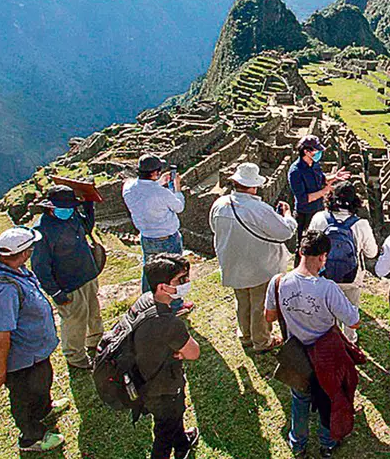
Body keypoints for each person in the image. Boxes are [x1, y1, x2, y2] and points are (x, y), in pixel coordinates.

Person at [265, 231, 360, 458]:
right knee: (329, 396)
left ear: (300, 252)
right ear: (323, 257)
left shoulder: (278, 282)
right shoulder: (327, 288)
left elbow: (269, 317)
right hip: (326, 355)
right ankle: (327, 443)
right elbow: (354, 322)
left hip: (296, 353)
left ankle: (298, 444)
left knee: (299, 399)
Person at [0, 226, 69, 453]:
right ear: (25, 252)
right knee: (23, 396)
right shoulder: (2, 290)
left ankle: (44, 410)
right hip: (20, 357)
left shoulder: (11, 268)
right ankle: (31, 437)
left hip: (34, 351)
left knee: (42, 381)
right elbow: (0, 336)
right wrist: (1, 371)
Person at [210, 162, 296, 353]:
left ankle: (246, 335)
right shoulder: (259, 209)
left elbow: (214, 229)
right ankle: (262, 341)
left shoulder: (219, 205)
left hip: (233, 262)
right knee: (259, 305)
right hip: (259, 265)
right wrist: (288, 216)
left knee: (242, 301)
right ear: (253, 186)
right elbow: (284, 233)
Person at [132, 253, 201, 459]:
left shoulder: (144, 302)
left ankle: (182, 444)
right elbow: (193, 352)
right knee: (164, 432)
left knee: (172, 417)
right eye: (180, 280)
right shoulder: (169, 323)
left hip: (143, 377)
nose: (186, 283)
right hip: (163, 386)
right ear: (162, 287)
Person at [31, 184, 104, 370]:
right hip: (68, 284)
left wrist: (88, 204)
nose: (68, 211)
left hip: (87, 274)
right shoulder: (42, 230)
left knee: (93, 312)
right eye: (64, 208)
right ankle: (75, 357)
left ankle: (95, 341)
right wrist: (55, 291)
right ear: (50, 207)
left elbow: (86, 227)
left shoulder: (71, 216)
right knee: (74, 321)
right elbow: (40, 266)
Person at [122, 153, 193, 314]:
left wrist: (159, 182)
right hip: (167, 238)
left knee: (150, 270)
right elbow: (179, 206)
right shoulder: (161, 193)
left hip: (146, 237)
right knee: (174, 273)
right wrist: (177, 188)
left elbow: (146, 191)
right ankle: (175, 306)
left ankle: (148, 304)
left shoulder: (128, 187)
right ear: (154, 173)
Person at [308, 182, 377, 343]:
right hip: (350, 277)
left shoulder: (319, 218)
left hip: (323, 274)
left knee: (325, 308)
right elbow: (371, 252)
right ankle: (349, 339)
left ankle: (327, 337)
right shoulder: (361, 224)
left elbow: (310, 245)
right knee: (350, 308)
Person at [287, 135, 350, 245]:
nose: (319, 153)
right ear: (306, 151)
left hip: (319, 210)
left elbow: (322, 179)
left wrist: (335, 176)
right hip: (305, 214)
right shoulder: (295, 172)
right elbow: (303, 199)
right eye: (316, 150)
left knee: (321, 243)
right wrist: (324, 191)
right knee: (305, 245)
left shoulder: (314, 164)